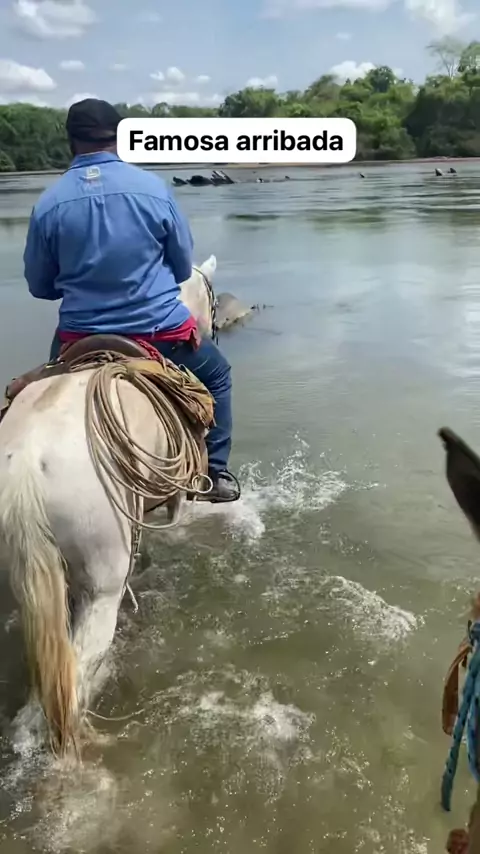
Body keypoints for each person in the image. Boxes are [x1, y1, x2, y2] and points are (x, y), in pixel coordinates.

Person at [23, 98, 240, 504]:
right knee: (219, 377)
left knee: (36, 396)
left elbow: (40, 285)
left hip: (79, 340)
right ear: (120, 137)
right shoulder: (154, 189)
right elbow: (182, 268)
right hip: (161, 334)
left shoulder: (49, 203)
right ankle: (216, 473)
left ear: (70, 140)